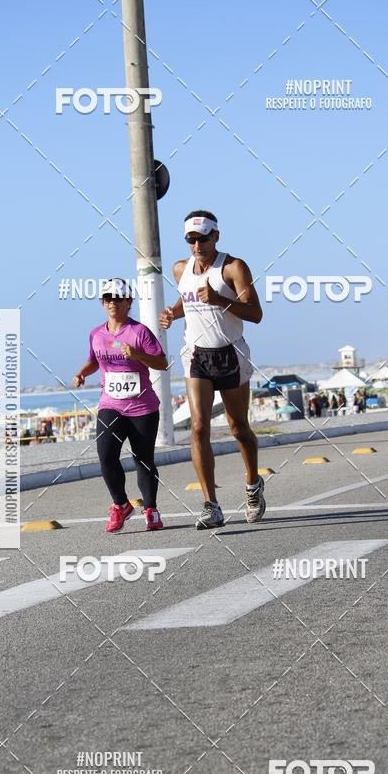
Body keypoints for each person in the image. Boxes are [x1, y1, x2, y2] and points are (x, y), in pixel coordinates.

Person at [159, 209, 265, 530]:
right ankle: (211, 505)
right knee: (198, 427)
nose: (197, 245)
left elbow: (256, 313)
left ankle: (252, 486)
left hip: (230, 354)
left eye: (202, 238)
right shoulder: (181, 269)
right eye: (190, 239)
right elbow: (187, 301)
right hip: (197, 356)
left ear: (216, 236)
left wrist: (221, 299)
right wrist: (171, 314)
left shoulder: (233, 268)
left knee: (238, 428)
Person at [74, 278, 168, 532]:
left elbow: (162, 362)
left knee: (143, 460)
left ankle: (151, 509)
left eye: (117, 298)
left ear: (128, 302)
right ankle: (121, 505)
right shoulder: (96, 333)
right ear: (103, 303)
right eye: (107, 299)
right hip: (111, 405)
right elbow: (94, 360)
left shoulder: (139, 332)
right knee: (106, 456)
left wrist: (138, 355)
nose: (112, 303)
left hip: (142, 407)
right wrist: (83, 372)